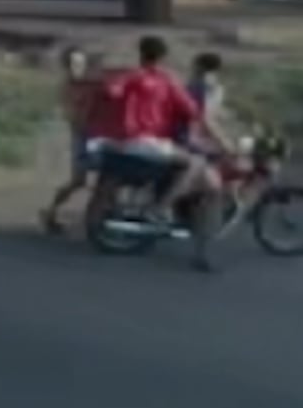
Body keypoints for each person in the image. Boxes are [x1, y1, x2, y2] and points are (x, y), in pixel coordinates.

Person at [89, 36, 233, 272]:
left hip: (120, 140)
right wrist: (221, 141)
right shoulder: (165, 80)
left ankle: (178, 218)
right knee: (197, 165)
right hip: (146, 141)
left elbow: (110, 91)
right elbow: (193, 111)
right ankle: (161, 209)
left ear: (141, 54)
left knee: (197, 173)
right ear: (163, 57)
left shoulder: (130, 75)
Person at [42, 47, 97, 234]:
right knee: (78, 180)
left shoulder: (90, 84)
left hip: (94, 136)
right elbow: (73, 116)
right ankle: (52, 211)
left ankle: (95, 217)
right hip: (82, 136)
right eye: (73, 64)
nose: (76, 68)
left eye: (80, 64)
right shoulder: (68, 88)